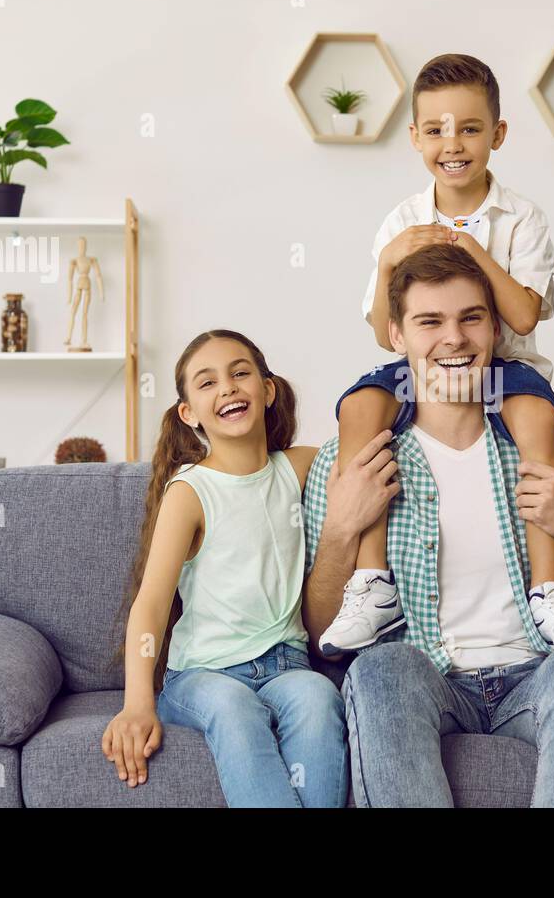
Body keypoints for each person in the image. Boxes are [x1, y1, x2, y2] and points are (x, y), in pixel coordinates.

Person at [303, 243, 554, 807]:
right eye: (429, 321)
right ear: (396, 335)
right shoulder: (351, 461)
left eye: (470, 318)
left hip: (539, 672)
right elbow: (322, 640)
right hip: (425, 678)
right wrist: (340, 530)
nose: (453, 338)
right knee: (378, 668)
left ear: (494, 329)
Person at [320, 53, 554, 656]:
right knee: (359, 407)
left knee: (540, 418)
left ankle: (548, 590)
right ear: (415, 138)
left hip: (502, 370)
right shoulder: (400, 220)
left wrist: (470, 251)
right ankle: (372, 583)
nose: (453, 143)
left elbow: (523, 316)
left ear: (497, 135)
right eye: (436, 129)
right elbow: (382, 331)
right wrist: (389, 260)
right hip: (424, 368)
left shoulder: (522, 217)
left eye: (470, 128)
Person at [103, 330, 348, 807]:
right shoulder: (190, 492)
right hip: (203, 676)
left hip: (287, 665)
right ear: (189, 412)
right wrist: (137, 703)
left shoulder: (299, 467)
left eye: (240, 374)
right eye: (207, 382)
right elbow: (151, 604)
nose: (228, 388)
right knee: (235, 708)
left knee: (320, 699)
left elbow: (361, 451)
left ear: (268, 388)